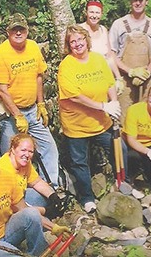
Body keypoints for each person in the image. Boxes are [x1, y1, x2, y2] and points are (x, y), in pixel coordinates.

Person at [58, 25, 123, 213]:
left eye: (80, 39)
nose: (77, 44)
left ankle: (121, 183)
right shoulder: (67, 65)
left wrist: (114, 103)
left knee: (119, 148)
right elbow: (74, 95)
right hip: (76, 125)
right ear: (69, 46)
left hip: (102, 123)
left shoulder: (97, 59)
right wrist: (103, 106)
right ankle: (87, 198)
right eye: (73, 42)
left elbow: (109, 82)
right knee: (79, 162)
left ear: (87, 40)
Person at [0, 12, 60, 187]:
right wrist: (17, 115)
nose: (18, 33)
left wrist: (41, 103)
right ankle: (8, 190)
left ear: (27, 31)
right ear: (8, 32)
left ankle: (52, 186)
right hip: (11, 114)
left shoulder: (33, 47)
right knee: (9, 155)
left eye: (21, 29)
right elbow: (2, 90)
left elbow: (38, 76)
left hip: (32, 110)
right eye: (15, 30)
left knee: (49, 146)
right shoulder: (1, 53)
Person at [109, 0, 151, 116]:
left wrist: (147, 72)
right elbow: (112, 54)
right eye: (135, 0)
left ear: (146, 1)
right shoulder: (119, 24)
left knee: (144, 115)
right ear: (130, 2)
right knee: (123, 116)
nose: (138, 3)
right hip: (124, 80)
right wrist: (130, 71)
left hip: (145, 81)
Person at [0, 133, 65, 218]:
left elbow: (36, 182)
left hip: (20, 200)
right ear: (13, 149)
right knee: (35, 214)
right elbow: (16, 207)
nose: (27, 155)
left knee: (42, 196)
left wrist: (53, 196)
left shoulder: (24, 162)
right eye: (23, 150)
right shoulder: (3, 170)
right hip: (7, 210)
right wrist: (45, 211)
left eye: (30, 152)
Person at [78, 0, 125, 96]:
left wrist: (118, 78)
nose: (94, 16)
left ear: (101, 14)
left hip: (104, 78)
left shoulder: (103, 30)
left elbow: (109, 57)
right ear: (86, 12)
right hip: (86, 79)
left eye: (97, 13)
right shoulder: (79, 30)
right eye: (91, 12)